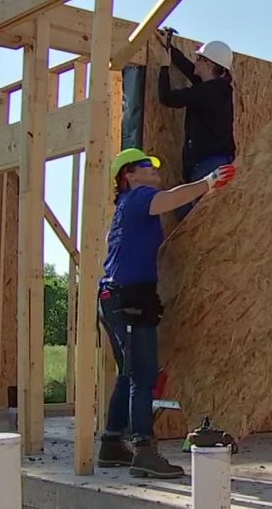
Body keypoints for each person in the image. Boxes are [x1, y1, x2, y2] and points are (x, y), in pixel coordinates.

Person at [97, 148, 235, 478]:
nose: (154, 169)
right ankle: (144, 451)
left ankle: (111, 443)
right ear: (128, 175)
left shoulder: (123, 210)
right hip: (129, 299)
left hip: (116, 298)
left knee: (129, 373)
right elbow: (168, 199)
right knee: (143, 376)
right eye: (147, 166)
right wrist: (208, 182)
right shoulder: (138, 197)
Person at [153, 30, 236, 221]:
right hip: (214, 163)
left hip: (209, 166)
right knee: (188, 217)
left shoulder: (208, 92)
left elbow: (167, 98)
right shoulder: (217, 89)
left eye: (199, 58)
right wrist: (169, 47)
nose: (195, 61)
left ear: (208, 64)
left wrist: (164, 67)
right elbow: (192, 72)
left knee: (190, 219)